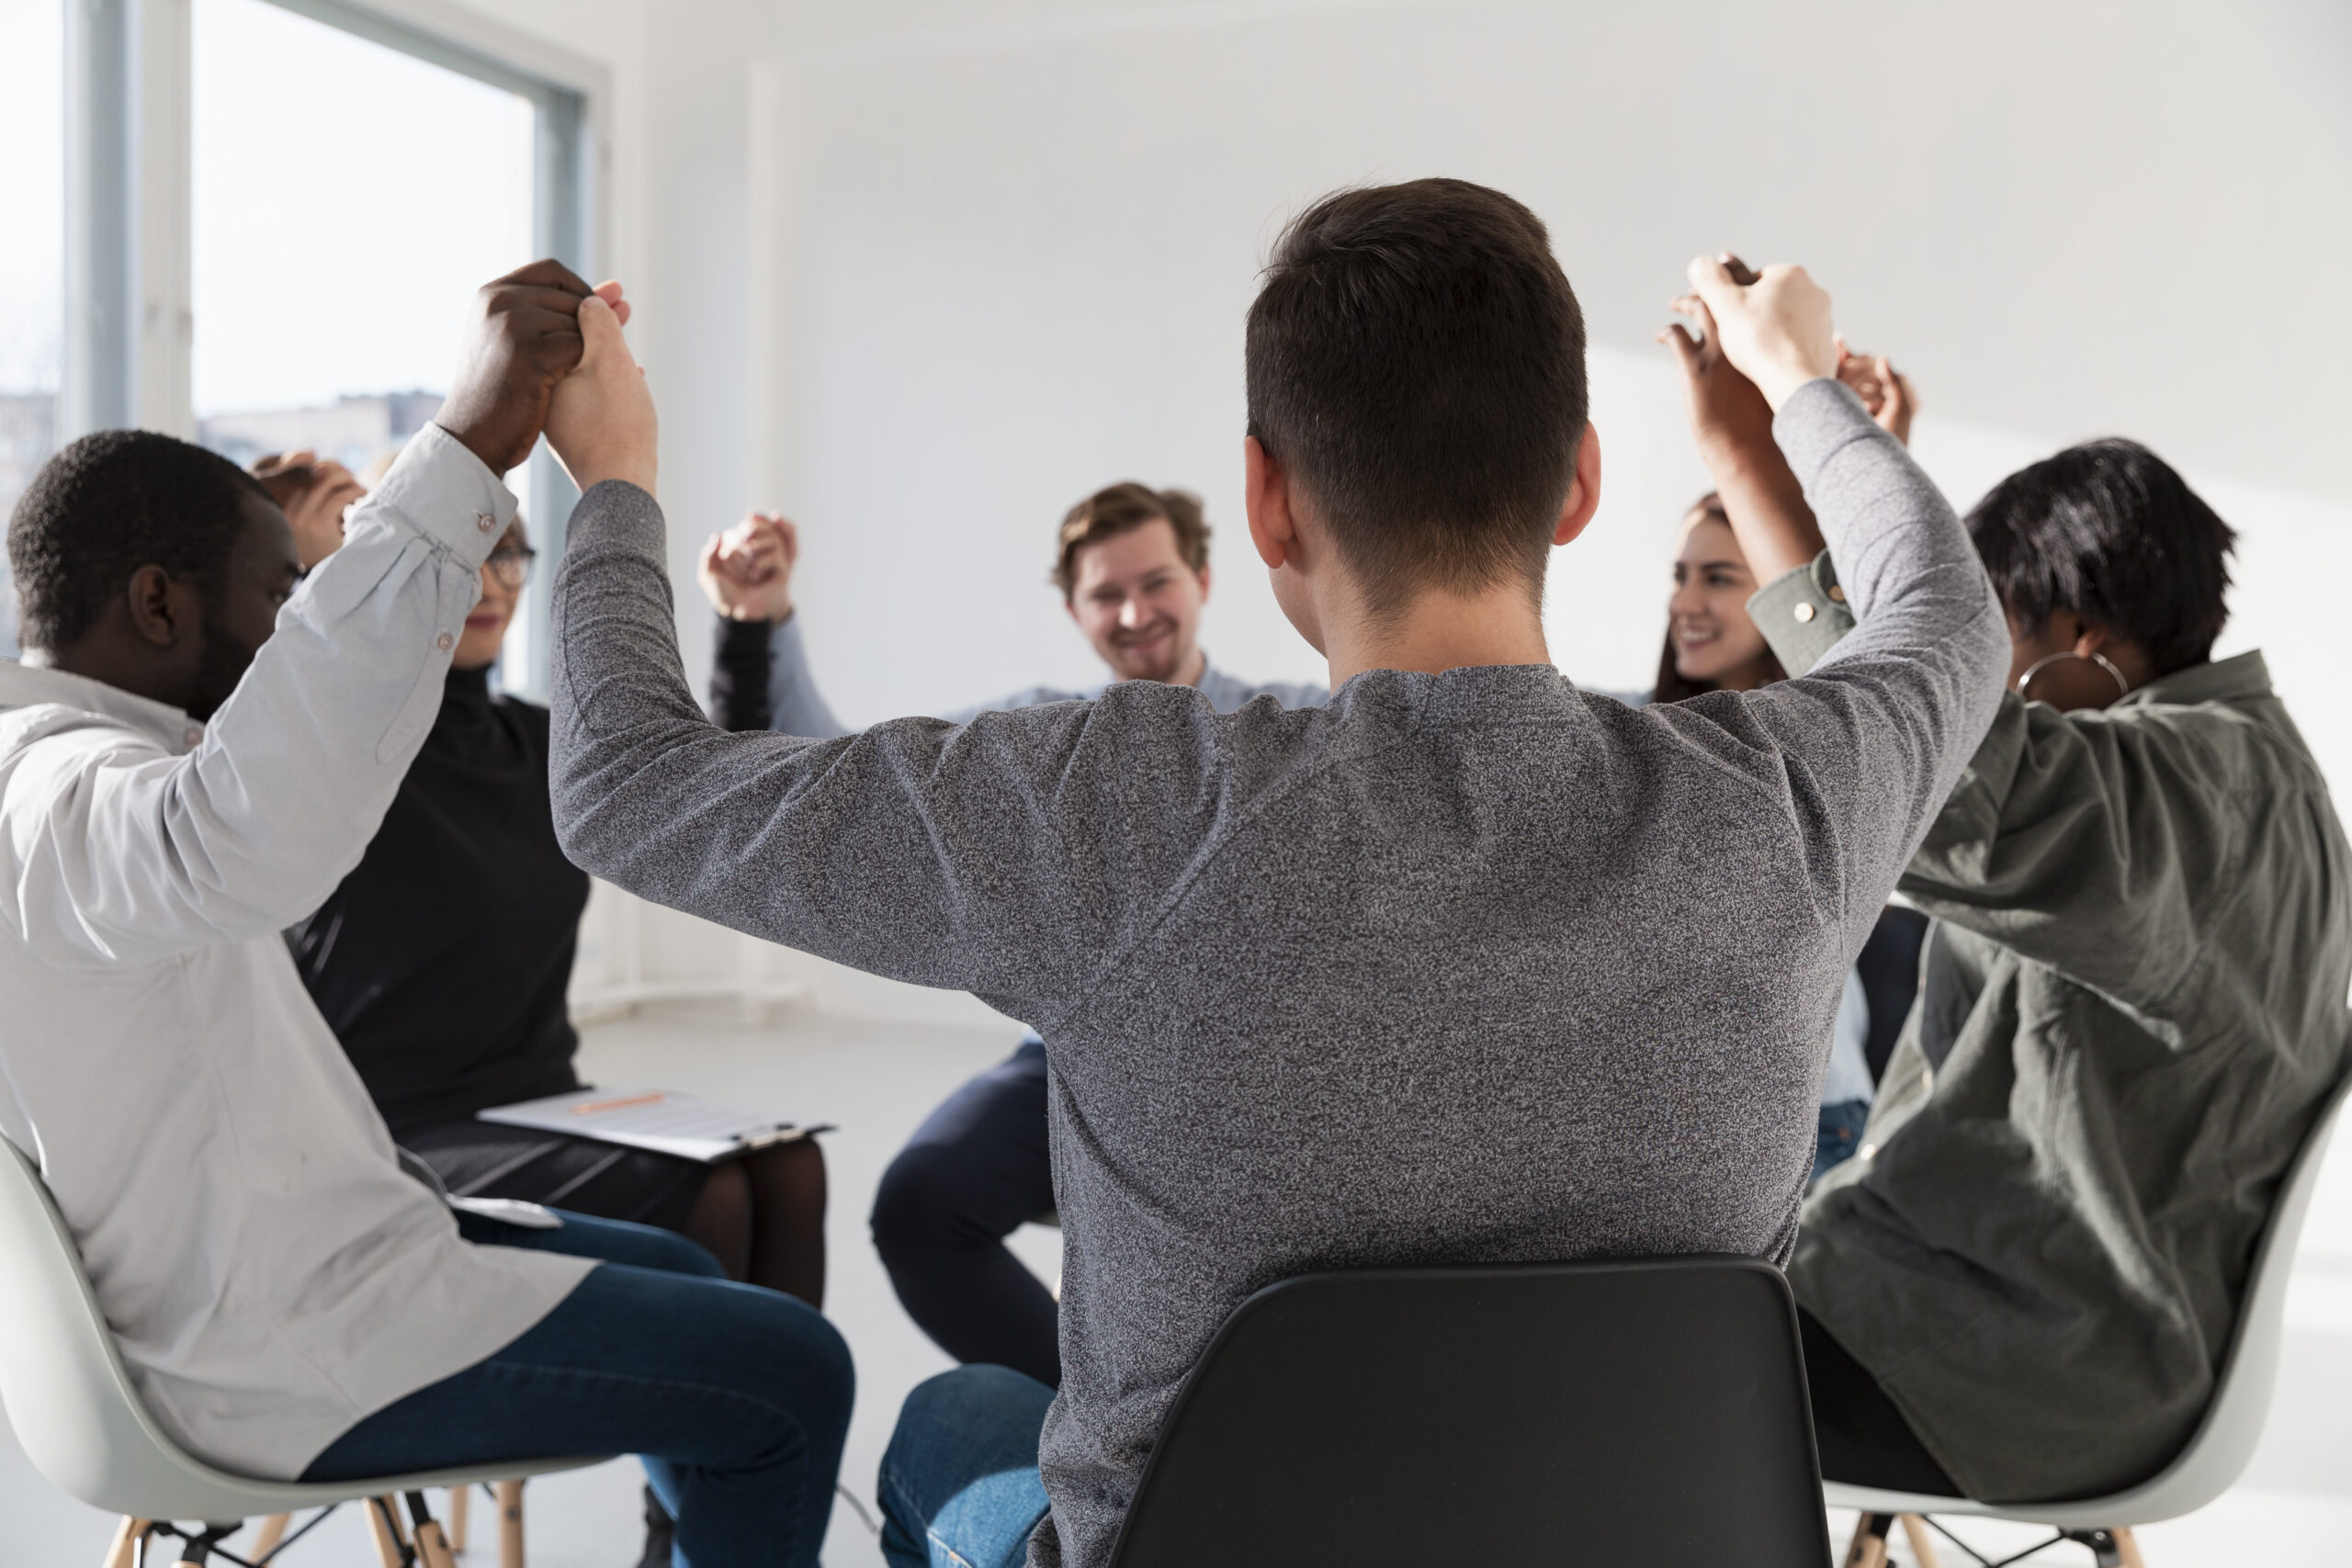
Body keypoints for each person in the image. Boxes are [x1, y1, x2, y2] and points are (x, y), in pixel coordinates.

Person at [540, 182, 2010, 1568]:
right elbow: (1944, 616)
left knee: (951, 1425)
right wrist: (1791, 389)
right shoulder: (1793, 795)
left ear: (1265, 506)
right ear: (1579, 484)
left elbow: (625, 784)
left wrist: (612, 478)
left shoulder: (1111, 797)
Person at [0, 262, 850, 1568]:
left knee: (703, 1270)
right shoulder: (61, 785)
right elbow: (237, 831)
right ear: (162, 602)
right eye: (280, 590)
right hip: (276, 1340)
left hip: (325, 1235)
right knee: (790, 1371)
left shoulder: (108, 757)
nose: (295, 622)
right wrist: (462, 442)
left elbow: (688, 781)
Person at [1660, 280, 2352, 1503]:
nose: (1979, 679)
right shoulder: (2256, 775)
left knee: (1592, 1349)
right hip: (2051, 1350)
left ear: (2082, 633)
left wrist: (1774, 428)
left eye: (1997, 643)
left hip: (1995, 1369)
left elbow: (1935, 758)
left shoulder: (2187, 793)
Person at [698, 482, 1324, 1388]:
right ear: (1074, 612)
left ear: (1203, 579)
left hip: (1252, 1073)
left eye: (1157, 582)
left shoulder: (1296, 722)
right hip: (1068, 1061)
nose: (1135, 612)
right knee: (919, 1208)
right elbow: (842, 778)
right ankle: (1112, 1435)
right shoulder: (1036, 734)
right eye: (1106, 595)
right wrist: (764, 619)